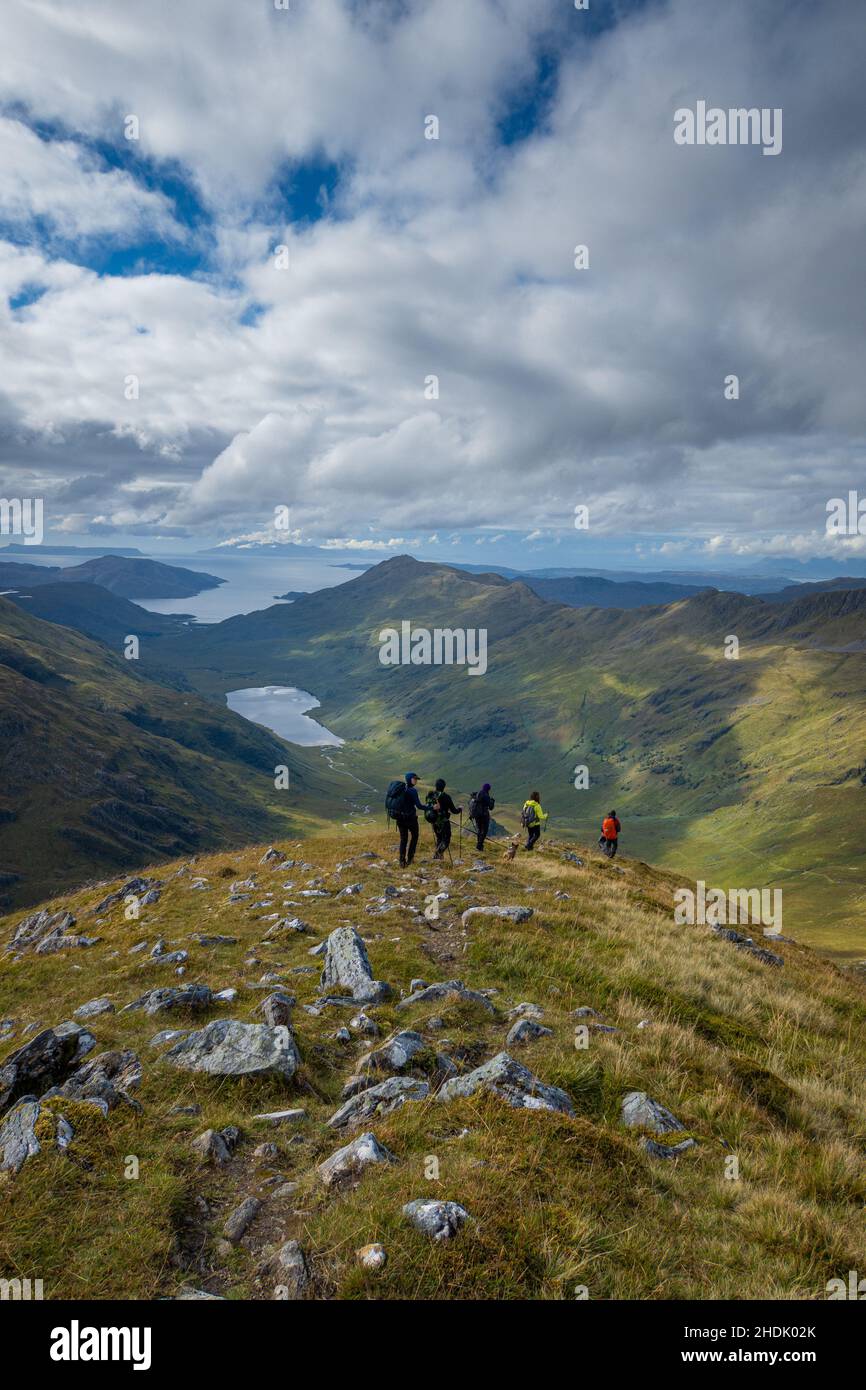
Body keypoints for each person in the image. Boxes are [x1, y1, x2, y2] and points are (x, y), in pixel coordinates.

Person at [426, 778, 462, 859]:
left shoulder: (430, 795)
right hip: (443, 821)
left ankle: (439, 857)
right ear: (444, 787)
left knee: (439, 838)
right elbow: (454, 811)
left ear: (436, 786)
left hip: (434, 821)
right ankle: (438, 854)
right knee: (446, 839)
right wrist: (460, 809)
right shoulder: (446, 797)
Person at [395, 771, 423, 867]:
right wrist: (432, 807)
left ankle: (402, 862)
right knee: (414, 836)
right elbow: (419, 806)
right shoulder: (412, 791)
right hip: (410, 818)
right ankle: (410, 859)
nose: (416, 781)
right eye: (415, 779)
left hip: (400, 818)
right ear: (409, 779)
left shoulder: (400, 789)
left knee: (403, 839)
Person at [471, 783, 495, 851]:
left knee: (479, 830)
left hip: (477, 815)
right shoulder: (485, 795)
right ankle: (479, 846)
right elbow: (491, 807)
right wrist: (492, 801)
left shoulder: (478, 794)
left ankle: (479, 846)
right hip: (484, 815)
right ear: (488, 789)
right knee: (484, 831)